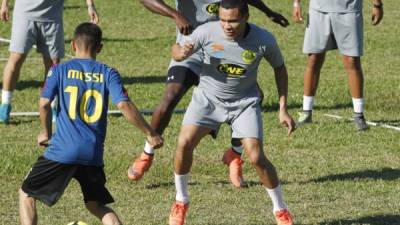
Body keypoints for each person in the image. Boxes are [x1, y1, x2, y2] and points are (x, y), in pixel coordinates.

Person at [128, 0, 290, 188]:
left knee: (248, 96)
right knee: (171, 95)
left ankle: (235, 155)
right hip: (190, 49)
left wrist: (267, 11)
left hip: (225, 49)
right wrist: (175, 14)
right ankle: (147, 154)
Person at [18, 23, 163, 225]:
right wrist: (150, 133)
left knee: (26, 194)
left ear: (72, 45)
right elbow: (123, 104)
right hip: (92, 155)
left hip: (62, 152)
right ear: (100, 47)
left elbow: (44, 103)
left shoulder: (58, 70)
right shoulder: (108, 73)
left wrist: (45, 132)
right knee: (96, 205)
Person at [167, 0, 296, 224]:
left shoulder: (263, 39)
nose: (227, 26)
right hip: (207, 100)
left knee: (256, 157)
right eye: (223, 20)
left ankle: (280, 210)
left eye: (233, 21)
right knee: (183, 143)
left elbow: (279, 68)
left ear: (246, 17)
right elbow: (177, 49)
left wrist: (283, 108)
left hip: (244, 102)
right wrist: (180, 54)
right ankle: (181, 201)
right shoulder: (207, 32)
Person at [0, 0, 99, 124]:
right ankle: (5, 105)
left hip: (52, 17)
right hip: (24, 14)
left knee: (53, 65)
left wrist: (90, 5)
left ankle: (52, 106)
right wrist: (4, 4)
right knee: (16, 58)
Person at [292, 0, 384, 130]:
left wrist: (377, 4)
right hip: (318, 10)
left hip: (349, 9)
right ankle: (306, 113)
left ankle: (359, 115)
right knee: (313, 59)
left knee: (351, 60)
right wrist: (296, 3)